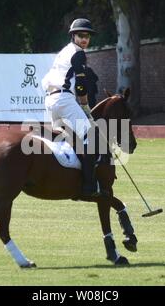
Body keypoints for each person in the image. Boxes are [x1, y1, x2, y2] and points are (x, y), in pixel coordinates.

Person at [41, 18, 101, 198]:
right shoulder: (78, 53)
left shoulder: (63, 52)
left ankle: (66, 179)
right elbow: (81, 85)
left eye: (87, 36)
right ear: (73, 36)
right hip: (64, 100)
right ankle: (89, 186)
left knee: (68, 140)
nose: (85, 39)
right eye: (81, 35)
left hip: (51, 100)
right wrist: (85, 106)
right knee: (91, 137)